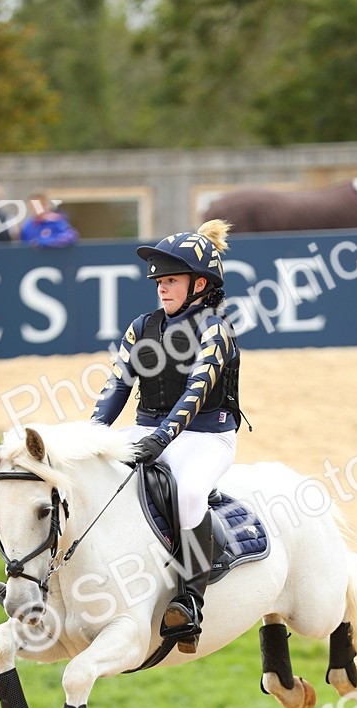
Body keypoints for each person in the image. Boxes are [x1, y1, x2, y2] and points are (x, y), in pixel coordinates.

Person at [92, 220, 239, 653]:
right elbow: (117, 386)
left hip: (205, 436)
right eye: (158, 280)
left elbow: (197, 393)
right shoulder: (142, 327)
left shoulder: (216, 329)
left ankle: (190, 600)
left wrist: (159, 440)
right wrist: (90, 438)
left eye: (171, 280)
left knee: (190, 493)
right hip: (146, 428)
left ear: (200, 284)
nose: (161, 287)